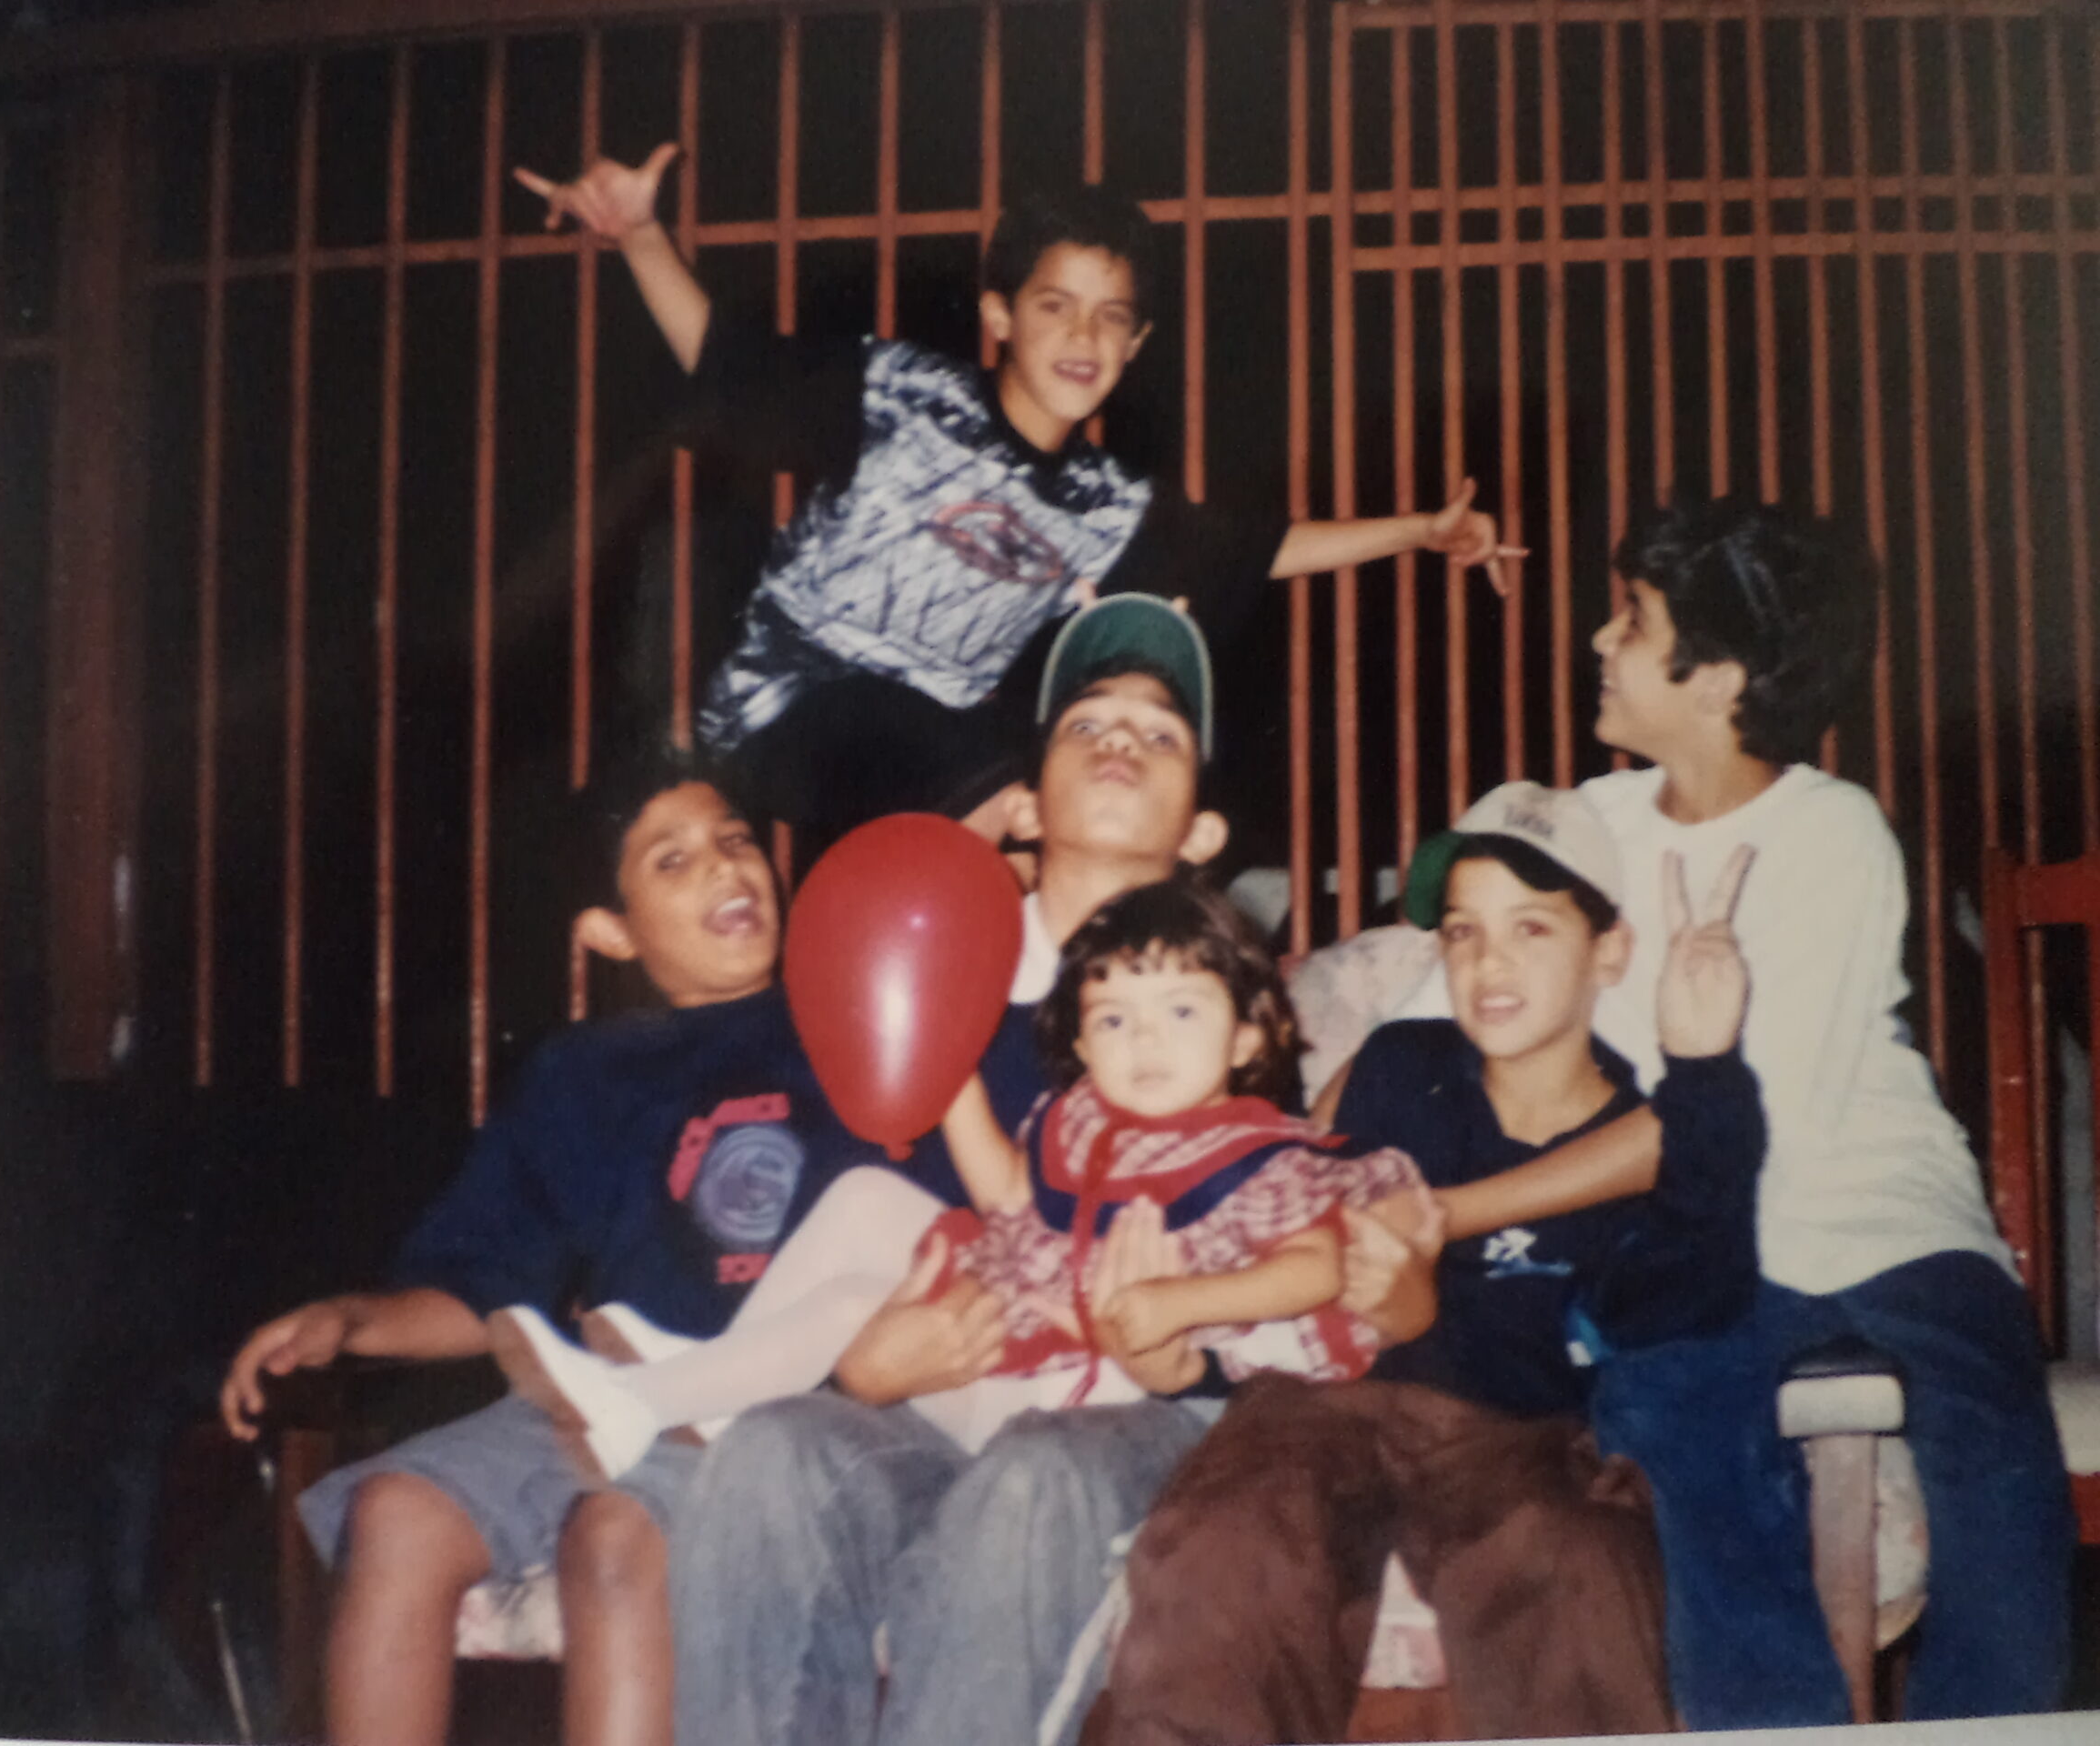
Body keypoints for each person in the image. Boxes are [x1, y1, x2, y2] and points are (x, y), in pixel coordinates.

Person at [661, 595, 1441, 1746]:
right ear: (1024, 805)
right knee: (771, 1454)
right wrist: (857, 1371)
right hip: (931, 1390)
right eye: (1085, 724)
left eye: (1160, 733)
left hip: (1120, 1407)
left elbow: (1308, 1260)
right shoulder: (916, 976)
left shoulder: (1219, 1012)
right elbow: (847, 1240)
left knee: (1034, 1480)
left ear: (1203, 833)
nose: (1119, 740)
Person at [213, 752, 956, 1746]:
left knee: (612, 1533)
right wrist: (352, 1321)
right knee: (394, 1512)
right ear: (611, 931)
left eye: (736, 841)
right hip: (606, 1394)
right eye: (672, 861)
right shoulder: (583, 1074)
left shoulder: (860, 1020)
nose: (724, 867)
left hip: (786, 1411)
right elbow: (486, 1285)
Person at [516, 150, 1518, 843]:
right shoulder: (902, 395)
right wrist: (640, 235)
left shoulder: (1104, 504)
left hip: (922, 775)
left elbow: (1256, 548)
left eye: (1110, 318)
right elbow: (733, 368)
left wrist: (1420, 531)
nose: (1083, 337)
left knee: (1073, 766)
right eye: (1055, 306)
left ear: (1135, 344)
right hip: (789, 704)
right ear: (999, 315)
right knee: (1000, 756)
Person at [1089, 780, 1767, 1744]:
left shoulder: (1634, 1137)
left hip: (1511, 1434)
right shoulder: (1400, 1063)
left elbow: (1690, 1297)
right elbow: (1285, 1233)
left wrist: (1703, 1071)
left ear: (1608, 950)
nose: (1488, 961)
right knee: (1226, 1546)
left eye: (1531, 928)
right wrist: (1188, 1362)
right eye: (1461, 932)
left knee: (1578, 1571)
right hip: (1318, 1405)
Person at [1562, 498, 2073, 1724]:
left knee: (1990, 1443)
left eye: (1632, 619)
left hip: (1889, 1222)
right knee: (1665, 1410)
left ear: (1717, 679)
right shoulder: (1589, 829)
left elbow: (1761, 1118)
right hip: (1706, 1235)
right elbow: (1450, 1002)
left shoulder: (1833, 832)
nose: (1598, 639)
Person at [488, 877, 1429, 1477]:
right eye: (1113, 1020)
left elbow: (1316, 1267)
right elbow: (1012, 1198)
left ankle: (645, 1406)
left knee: (854, 1302)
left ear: (1251, 1034)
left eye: (1180, 1013)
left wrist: (1183, 1302)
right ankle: (713, 1378)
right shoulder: (1086, 1121)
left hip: (1083, 1390)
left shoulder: (1260, 1153)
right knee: (862, 1196)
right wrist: (946, 1071)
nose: (1143, 1041)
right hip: (1023, 1328)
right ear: (1081, 1041)